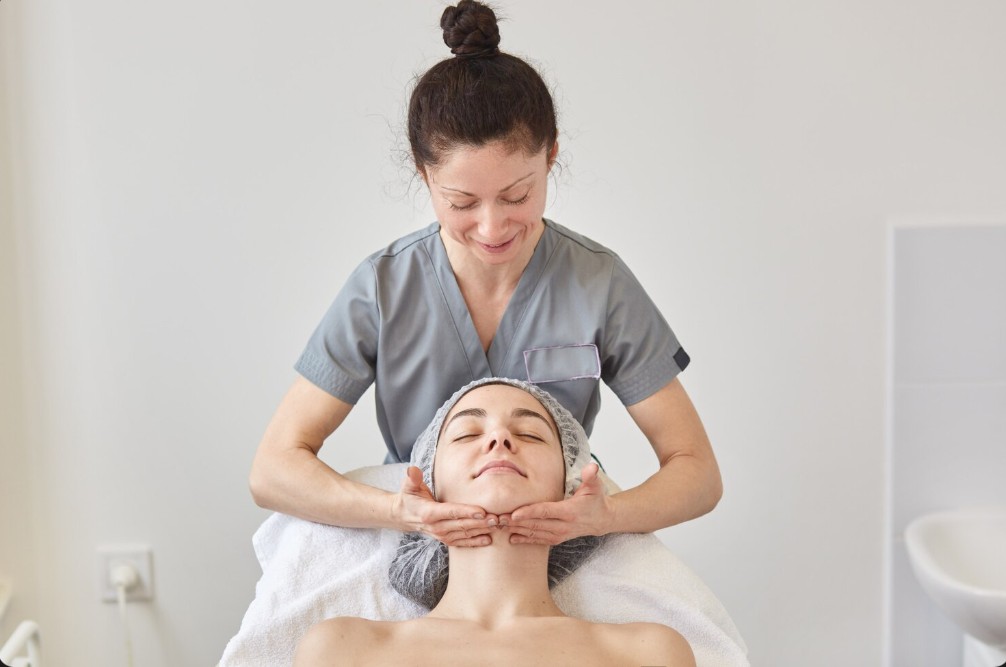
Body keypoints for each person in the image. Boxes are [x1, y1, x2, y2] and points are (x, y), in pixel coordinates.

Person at [249, 0, 721, 548]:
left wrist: (603, 517)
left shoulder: (599, 284)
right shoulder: (383, 289)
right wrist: (402, 514)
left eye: (517, 195)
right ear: (422, 173)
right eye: (462, 201)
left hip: (551, 549)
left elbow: (697, 473)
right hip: (416, 542)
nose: (492, 226)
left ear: (551, 158)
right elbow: (273, 470)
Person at [292, 379, 696, 667]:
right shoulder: (341, 651)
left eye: (531, 435)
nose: (500, 438)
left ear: (567, 486)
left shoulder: (650, 654)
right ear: (430, 486)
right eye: (468, 433)